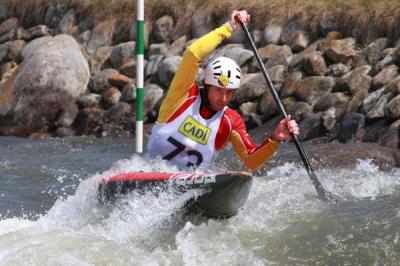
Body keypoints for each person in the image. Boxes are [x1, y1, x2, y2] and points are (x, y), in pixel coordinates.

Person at [147, 10, 299, 170]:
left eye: (229, 92)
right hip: (150, 174)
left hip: (196, 186)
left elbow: (250, 160)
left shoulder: (231, 122)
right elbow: (192, 54)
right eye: (219, 90)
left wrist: (275, 139)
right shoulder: (182, 95)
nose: (224, 98)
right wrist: (229, 27)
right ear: (206, 86)